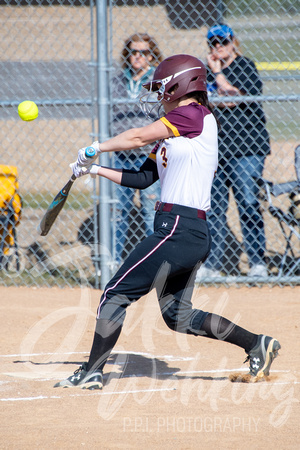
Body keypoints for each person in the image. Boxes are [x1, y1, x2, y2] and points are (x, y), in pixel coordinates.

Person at [54, 54, 280, 390]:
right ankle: (256, 344)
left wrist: (96, 147)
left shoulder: (193, 114)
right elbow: (144, 178)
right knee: (179, 316)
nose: (158, 95)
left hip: (177, 228)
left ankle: (91, 371)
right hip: (182, 231)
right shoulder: (173, 132)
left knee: (115, 293)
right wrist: (95, 169)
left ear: (180, 84)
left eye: (161, 88)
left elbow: (135, 137)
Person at [197, 24, 270, 280]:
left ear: (233, 42)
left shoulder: (245, 66)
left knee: (248, 204)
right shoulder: (204, 71)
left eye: (223, 41)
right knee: (214, 207)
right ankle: (212, 265)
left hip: (247, 149)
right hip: (216, 149)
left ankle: (257, 263)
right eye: (213, 43)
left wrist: (217, 73)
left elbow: (231, 98)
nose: (218, 46)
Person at [112, 33, 163, 265]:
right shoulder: (118, 80)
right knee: (117, 212)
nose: (138, 56)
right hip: (120, 156)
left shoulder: (158, 81)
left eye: (143, 52)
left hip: (149, 156)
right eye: (133, 51)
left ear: (152, 55)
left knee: (152, 211)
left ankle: (153, 265)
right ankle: (111, 264)